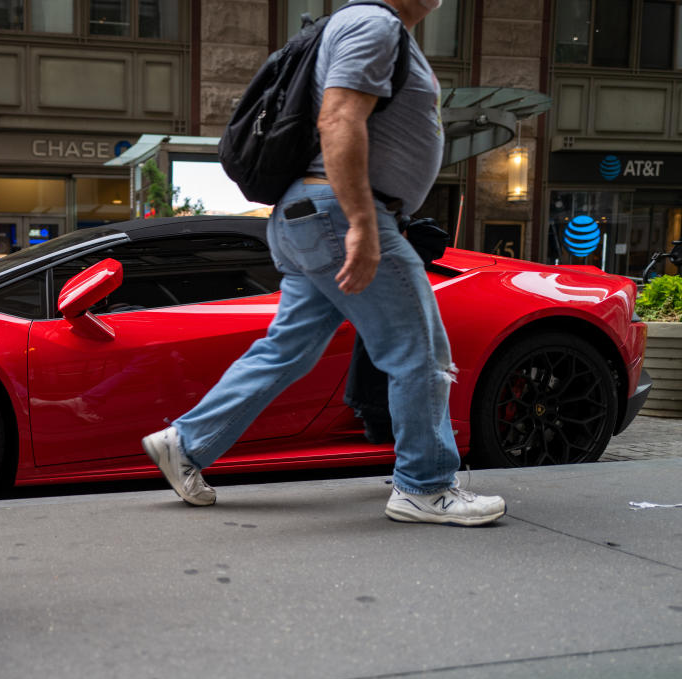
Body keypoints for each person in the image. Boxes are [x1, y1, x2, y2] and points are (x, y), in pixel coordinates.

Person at [142, 0, 506, 527]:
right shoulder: (374, 23)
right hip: (340, 212)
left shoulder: (370, 27)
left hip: (313, 214)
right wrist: (362, 221)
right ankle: (424, 485)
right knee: (419, 348)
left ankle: (186, 442)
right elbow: (337, 116)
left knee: (286, 350)